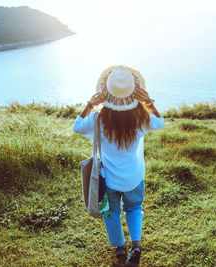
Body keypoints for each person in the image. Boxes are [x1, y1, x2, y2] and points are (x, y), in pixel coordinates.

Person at [72, 65, 164, 265]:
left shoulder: (98, 119)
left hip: (110, 180)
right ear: (134, 93)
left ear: (106, 93)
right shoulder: (142, 119)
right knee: (134, 209)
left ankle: (121, 248)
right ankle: (136, 246)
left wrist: (89, 104)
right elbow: (160, 122)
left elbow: (76, 127)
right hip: (134, 177)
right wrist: (148, 102)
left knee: (111, 213)